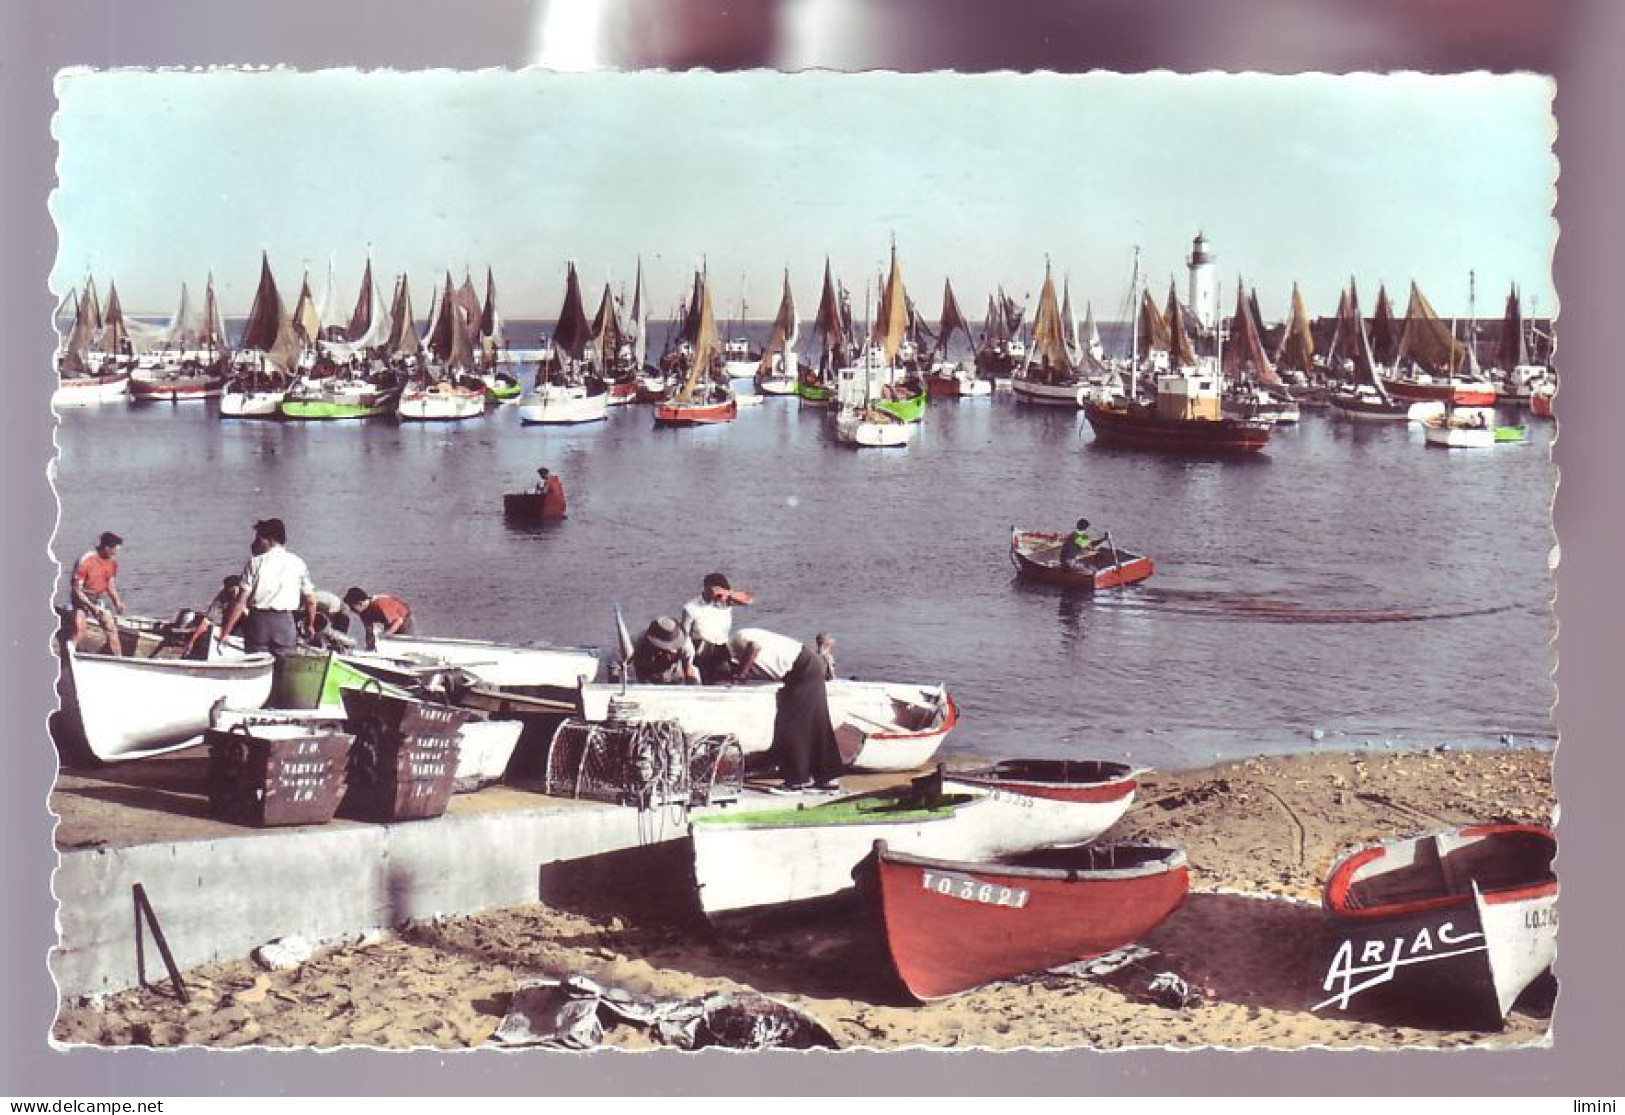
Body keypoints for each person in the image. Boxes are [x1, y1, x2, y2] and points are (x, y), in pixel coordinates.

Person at [726, 627, 844, 794]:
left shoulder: (736, 641)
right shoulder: (743, 636)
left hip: (803, 670)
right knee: (818, 724)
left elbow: (755, 648)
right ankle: (828, 780)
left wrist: (740, 676)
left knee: (792, 727)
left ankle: (796, 781)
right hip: (807, 667)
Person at [218, 518, 317, 657]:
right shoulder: (298, 563)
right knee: (283, 666)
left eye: (258, 539)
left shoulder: (255, 563)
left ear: (269, 540)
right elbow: (311, 600)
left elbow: (240, 602)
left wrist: (225, 632)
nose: (255, 544)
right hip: (285, 623)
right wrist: (310, 624)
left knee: (256, 663)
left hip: (258, 623)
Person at [681, 572, 755, 685]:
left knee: (724, 679)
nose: (718, 598)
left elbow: (749, 600)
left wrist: (727, 593)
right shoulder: (691, 608)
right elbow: (684, 637)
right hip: (699, 650)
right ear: (706, 589)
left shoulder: (726, 601)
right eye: (713, 592)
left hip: (720, 649)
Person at [69, 531, 125, 655]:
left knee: (111, 629)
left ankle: (119, 661)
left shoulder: (112, 562)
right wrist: (91, 607)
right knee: (80, 629)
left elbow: (110, 585)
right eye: (114, 550)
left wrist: (117, 602)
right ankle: (70, 656)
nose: (116, 553)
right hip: (81, 597)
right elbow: (76, 589)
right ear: (106, 548)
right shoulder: (86, 560)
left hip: (98, 598)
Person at [179, 574, 242, 659]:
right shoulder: (222, 597)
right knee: (209, 628)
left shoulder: (247, 594)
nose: (233, 594)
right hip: (229, 625)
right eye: (230, 592)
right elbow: (208, 620)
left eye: (235, 591)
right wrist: (192, 641)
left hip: (246, 624)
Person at [629, 616, 697, 685]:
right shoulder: (640, 641)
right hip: (648, 670)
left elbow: (688, 669)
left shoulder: (686, 646)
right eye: (660, 649)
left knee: (694, 674)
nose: (663, 653)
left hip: (675, 671)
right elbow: (636, 667)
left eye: (668, 651)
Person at [342, 586, 415, 650]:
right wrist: (369, 647)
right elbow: (369, 631)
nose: (351, 611)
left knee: (401, 644)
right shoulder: (363, 612)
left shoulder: (380, 604)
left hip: (404, 619)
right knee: (383, 641)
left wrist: (384, 636)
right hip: (389, 621)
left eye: (352, 608)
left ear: (360, 603)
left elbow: (398, 621)